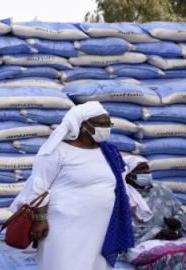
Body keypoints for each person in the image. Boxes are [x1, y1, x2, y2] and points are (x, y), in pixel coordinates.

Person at [10, 101, 134, 270]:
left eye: (108, 124)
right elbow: (39, 187)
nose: (106, 129)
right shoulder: (56, 151)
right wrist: (40, 219)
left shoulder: (109, 152)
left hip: (101, 227)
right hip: (64, 227)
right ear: (83, 125)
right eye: (101, 124)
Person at [123, 156, 186, 269]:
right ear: (128, 174)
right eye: (141, 169)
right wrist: (158, 233)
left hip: (171, 239)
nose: (146, 172)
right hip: (139, 244)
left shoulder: (161, 189)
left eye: (147, 169)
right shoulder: (122, 198)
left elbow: (179, 212)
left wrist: (177, 223)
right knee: (171, 255)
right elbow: (124, 230)